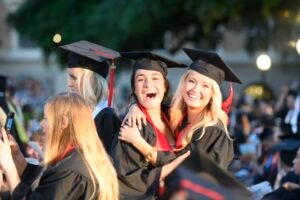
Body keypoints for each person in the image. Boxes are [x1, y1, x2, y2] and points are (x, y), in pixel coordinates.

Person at [123, 48, 242, 169]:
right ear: (183, 83)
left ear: (213, 94)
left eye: (205, 86)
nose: (195, 89)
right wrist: (135, 107)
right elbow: (152, 104)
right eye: (191, 81)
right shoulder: (175, 116)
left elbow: (187, 170)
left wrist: (139, 143)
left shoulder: (213, 132)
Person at [0, 92, 119, 200]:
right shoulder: (79, 157)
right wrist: (18, 160)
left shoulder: (70, 169)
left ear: (63, 122)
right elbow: (48, 182)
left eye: (46, 118)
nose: (42, 124)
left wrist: (8, 167)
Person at [110, 51, 190, 200]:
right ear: (134, 89)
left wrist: (133, 106)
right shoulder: (134, 127)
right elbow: (126, 183)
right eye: (141, 79)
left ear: (165, 87)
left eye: (155, 78)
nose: (148, 85)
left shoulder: (175, 118)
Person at [60, 41, 121, 153]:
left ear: (91, 81)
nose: (69, 83)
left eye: (73, 77)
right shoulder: (79, 114)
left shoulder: (106, 118)